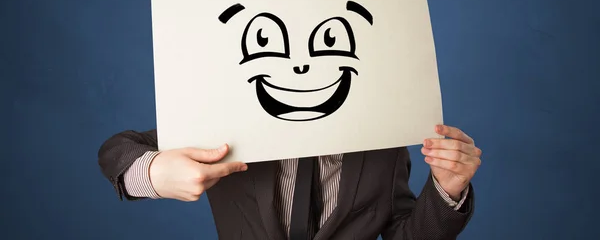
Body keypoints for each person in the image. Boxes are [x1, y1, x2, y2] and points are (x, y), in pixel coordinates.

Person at [98, 124, 481, 240]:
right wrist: (152, 172)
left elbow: (404, 233)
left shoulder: (383, 144)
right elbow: (117, 148)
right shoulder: (222, 123)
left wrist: (446, 190)